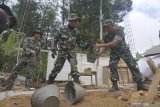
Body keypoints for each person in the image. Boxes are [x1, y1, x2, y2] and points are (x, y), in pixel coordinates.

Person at [96, 19, 148, 92]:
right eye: (105, 27)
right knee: (112, 66)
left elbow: (115, 43)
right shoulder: (106, 35)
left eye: (108, 27)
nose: (106, 29)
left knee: (132, 65)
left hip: (124, 50)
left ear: (112, 25)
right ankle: (114, 85)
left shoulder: (119, 31)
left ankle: (140, 84)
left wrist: (100, 45)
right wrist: (100, 52)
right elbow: (105, 46)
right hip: (114, 52)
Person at [47, 13, 87, 84]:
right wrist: (53, 48)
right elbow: (55, 40)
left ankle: (77, 84)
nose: (76, 23)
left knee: (74, 67)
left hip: (72, 52)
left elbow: (80, 44)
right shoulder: (62, 29)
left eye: (77, 21)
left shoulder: (77, 32)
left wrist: (87, 46)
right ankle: (49, 82)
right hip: (62, 52)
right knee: (57, 68)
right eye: (75, 21)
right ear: (70, 21)